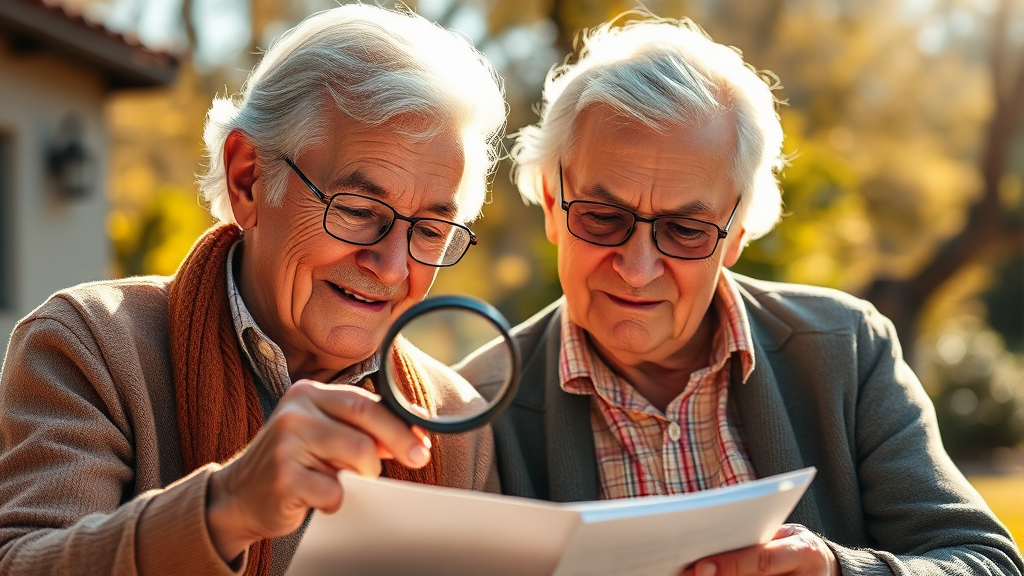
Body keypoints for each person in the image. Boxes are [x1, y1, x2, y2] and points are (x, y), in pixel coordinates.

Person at [457, 12, 1024, 576]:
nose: (637, 268)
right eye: (604, 217)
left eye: (685, 230)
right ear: (553, 207)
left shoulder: (845, 350)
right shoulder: (471, 407)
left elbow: (987, 561)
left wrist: (835, 570)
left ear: (737, 235)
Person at [0, 5, 505, 576]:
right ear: (248, 177)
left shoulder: (457, 420)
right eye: (359, 211)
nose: (391, 267)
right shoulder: (89, 347)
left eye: (431, 231)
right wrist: (227, 507)